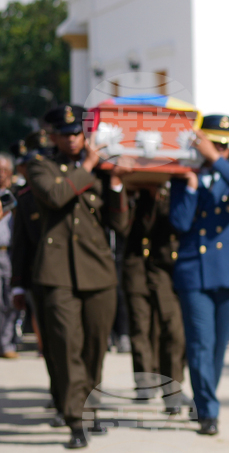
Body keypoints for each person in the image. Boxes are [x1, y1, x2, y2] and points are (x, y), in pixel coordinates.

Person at [27, 105, 131, 449]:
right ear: (53, 136)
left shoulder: (102, 171)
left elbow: (119, 225)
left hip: (97, 272)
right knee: (66, 347)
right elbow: (57, 196)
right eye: (66, 134)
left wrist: (115, 185)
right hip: (56, 273)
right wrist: (87, 167)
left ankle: (89, 407)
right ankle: (76, 418)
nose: (73, 139)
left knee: (93, 349)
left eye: (77, 133)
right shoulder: (41, 165)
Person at [168, 114, 229, 436]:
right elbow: (179, 222)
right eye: (211, 144)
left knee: (218, 348)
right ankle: (208, 410)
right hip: (194, 273)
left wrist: (215, 159)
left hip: (227, 272)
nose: (216, 150)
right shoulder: (183, 177)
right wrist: (190, 187)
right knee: (201, 345)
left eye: (221, 146)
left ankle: (206, 398)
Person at [10, 132, 63, 424]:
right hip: (40, 278)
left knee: (78, 345)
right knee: (54, 344)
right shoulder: (25, 197)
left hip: (81, 278)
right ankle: (62, 399)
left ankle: (78, 400)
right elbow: (21, 245)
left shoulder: (71, 187)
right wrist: (18, 284)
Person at [122, 186, 188, 413]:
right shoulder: (131, 196)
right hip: (137, 269)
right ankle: (144, 381)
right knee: (141, 327)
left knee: (172, 330)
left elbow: (177, 223)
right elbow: (123, 226)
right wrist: (141, 196)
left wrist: (159, 197)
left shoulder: (172, 196)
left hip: (165, 270)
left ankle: (173, 385)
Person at [0, 152, 16, 359]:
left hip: (10, 254)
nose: (1, 175)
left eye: (5, 171)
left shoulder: (16, 196)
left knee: (11, 301)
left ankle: (7, 343)